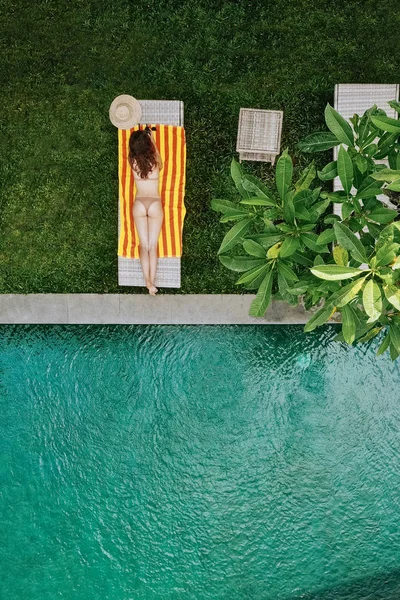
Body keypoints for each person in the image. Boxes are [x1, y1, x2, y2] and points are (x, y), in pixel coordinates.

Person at [128, 128, 163, 295]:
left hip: (139, 203)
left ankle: (148, 282)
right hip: (154, 203)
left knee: (144, 245)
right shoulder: (155, 161)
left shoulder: (132, 161)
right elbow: (158, 159)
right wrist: (152, 138)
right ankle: (152, 283)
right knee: (152, 246)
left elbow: (137, 151)